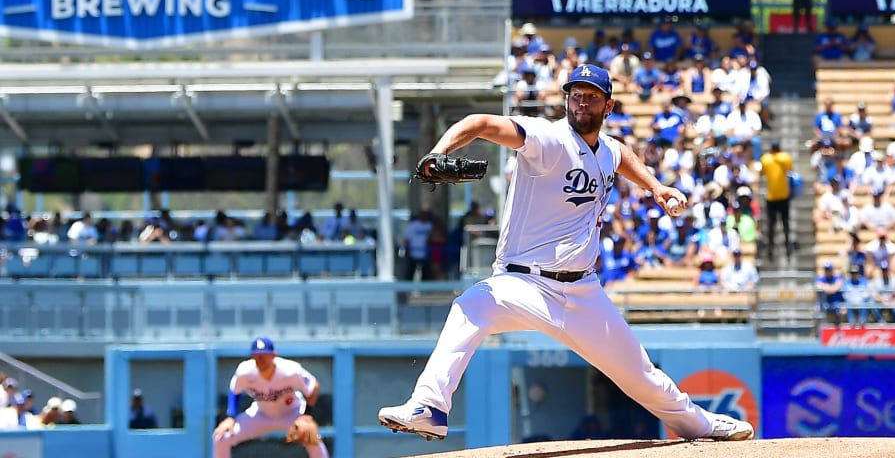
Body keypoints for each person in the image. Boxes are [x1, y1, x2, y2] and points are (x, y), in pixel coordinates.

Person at [376, 64, 754, 443]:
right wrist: (438, 152)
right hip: (524, 282)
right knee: (472, 305)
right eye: (576, 94)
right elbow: (479, 123)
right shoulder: (547, 138)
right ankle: (429, 407)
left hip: (582, 292)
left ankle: (700, 426)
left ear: (608, 106)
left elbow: (620, 155)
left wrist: (656, 187)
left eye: (591, 96)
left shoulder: (606, 149)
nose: (581, 102)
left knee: (640, 374)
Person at [213, 337, 328, 458]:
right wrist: (230, 417)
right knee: (221, 437)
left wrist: (305, 415)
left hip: (292, 413)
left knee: (313, 440)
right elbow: (235, 390)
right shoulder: (245, 371)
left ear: (273, 355)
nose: (260, 359)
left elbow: (313, 387)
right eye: (257, 355)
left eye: (264, 355)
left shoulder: (290, 370)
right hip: (261, 414)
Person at [760, 140, 794, 260]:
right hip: (781, 196)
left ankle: (771, 249)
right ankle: (785, 247)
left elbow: (762, 171)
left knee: (772, 225)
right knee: (784, 224)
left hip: (774, 197)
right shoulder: (784, 157)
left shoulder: (767, 159)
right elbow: (790, 167)